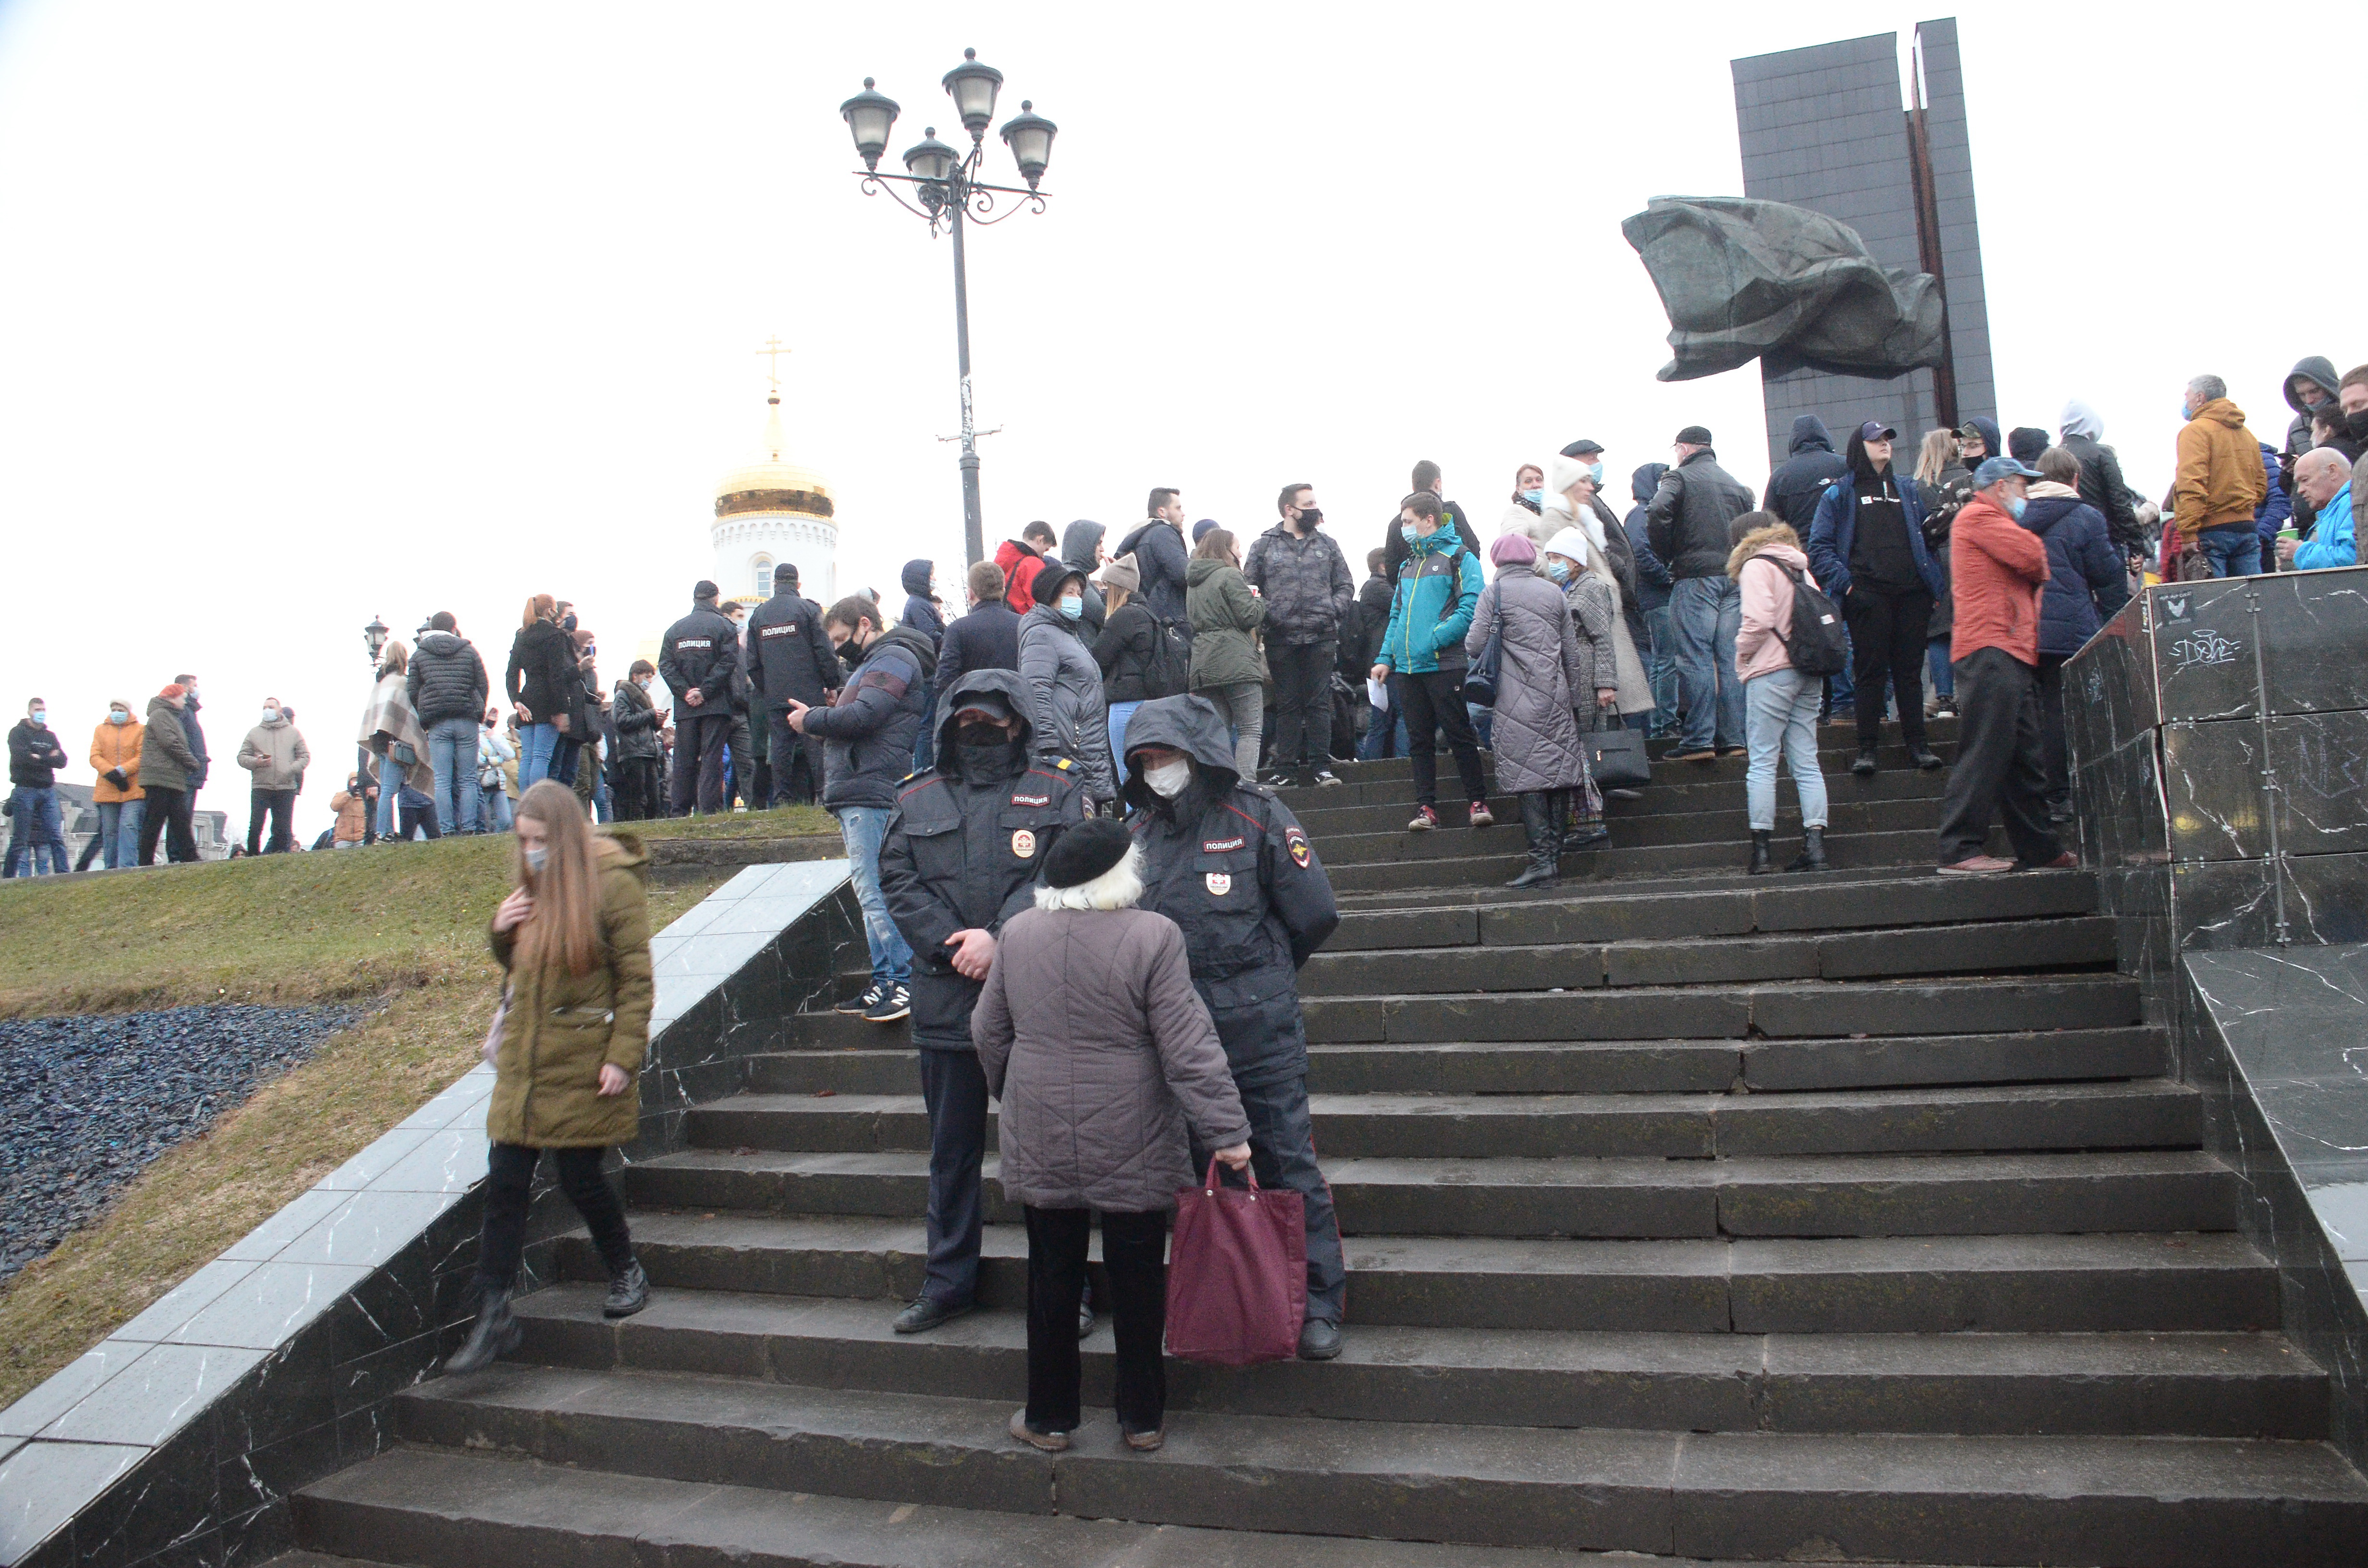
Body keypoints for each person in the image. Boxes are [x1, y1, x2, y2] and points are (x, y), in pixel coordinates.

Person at [973, 818, 1252, 1453]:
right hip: (1136, 1131)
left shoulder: (1016, 935)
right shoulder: (1154, 935)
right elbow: (1187, 1044)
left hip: (1040, 1124)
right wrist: (1228, 1130)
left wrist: (1013, 1093)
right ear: (1122, 872)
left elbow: (987, 1033)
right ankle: (1142, 1417)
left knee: (1051, 1276)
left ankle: (1049, 1418)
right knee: (1137, 1277)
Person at [1119, 693, 1345, 1359]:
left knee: (1286, 1163)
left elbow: (1315, 914)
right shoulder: (1136, 837)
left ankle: (1319, 1302)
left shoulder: (1258, 814)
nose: (1156, 768)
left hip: (1260, 1035)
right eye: (1144, 760)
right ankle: (1229, 1301)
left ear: (1196, 754)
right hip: (1180, 1048)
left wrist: (1266, 976)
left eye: (1163, 756)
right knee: (1198, 1180)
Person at [878, 671, 1087, 1334]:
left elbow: (1069, 870)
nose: (978, 727)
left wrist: (999, 939)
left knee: (1053, 1155)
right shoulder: (917, 796)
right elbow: (898, 880)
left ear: (1019, 721)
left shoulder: (1058, 786)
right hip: (948, 998)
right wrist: (953, 943)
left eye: (992, 718)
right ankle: (948, 1283)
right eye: (966, 716)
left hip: (1038, 995)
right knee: (952, 1153)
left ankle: (1067, 1287)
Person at [441, 781, 654, 1375]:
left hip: (583, 1062)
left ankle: (625, 1269)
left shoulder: (614, 886)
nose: (530, 851)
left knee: (580, 1177)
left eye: (539, 840)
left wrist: (621, 1056)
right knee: (505, 1183)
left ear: (563, 836)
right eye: (523, 841)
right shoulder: (532, 887)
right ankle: (492, 1313)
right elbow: (526, 972)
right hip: (527, 1064)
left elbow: (636, 982)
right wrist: (501, 931)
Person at [782, 594, 939, 1020]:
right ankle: (887, 978)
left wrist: (813, 720)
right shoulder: (874, 664)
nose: (837, 649)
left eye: (840, 638)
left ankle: (904, 981)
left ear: (865, 624)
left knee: (875, 890)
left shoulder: (892, 659)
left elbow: (864, 717)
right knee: (869, 891)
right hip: (860, 785)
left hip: (871, 788)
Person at [1937, 456, 2072, 875]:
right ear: (1999, 487)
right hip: (1991, 647)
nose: (2026, 496)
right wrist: (2034, 546)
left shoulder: (1985, 519)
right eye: (2021, 486)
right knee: (1987, 748)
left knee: (2021, 756)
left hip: (2008, 648)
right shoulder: (1979, 516)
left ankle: (2040, 848)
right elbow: (2033, 556)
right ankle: (1959, 848)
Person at [1806, 421, 1945, 777]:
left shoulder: (1908, 489)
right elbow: (1819, 547)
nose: (1885, 444)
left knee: (1910, 673)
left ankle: (1919, 746)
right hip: (1867, 595)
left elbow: (1928, 538)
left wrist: (1932, 583)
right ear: (1859, 446)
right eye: (1876, 440)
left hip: (1911, 594)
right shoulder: (1839, 494)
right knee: (1870, 672)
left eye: (1888, 439)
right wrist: (1849, 586)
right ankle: (1867, 749)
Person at [1467, 534, 1592, 888]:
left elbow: (1475, 644)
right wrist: (1575, 702)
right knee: (1557, 775)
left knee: (1529, 779)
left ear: (1497, 562)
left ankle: (1540, 862)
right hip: (1555, 698)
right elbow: (1571, 653)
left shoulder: (1495, 594)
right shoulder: (1554, 592)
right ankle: (1552, 859)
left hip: (1514, 700)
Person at [2021, 448, 2131, 821]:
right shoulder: (2086, 517)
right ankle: (2059, 795)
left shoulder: (2013, 517)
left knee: (2026, 711)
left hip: (2021, 627)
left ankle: (2029, 796)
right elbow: (2106, 574)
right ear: (2074, 479)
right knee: (2057, 709)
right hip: (2069, 627)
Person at [1372, 492, 1491, 830]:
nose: (1403, 528)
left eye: (1408, 522)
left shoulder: (1460, 557)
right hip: (1409, 668)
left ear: (1429, 519)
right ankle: (1426, 808)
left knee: (1459, 734)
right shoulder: (1408, 566)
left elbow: (1472, 608)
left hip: (1445, 663)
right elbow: (1395, 616)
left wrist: (1435, 639)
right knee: (1419, 740)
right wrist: (1385, 658)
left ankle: (1478, 802)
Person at [1729, 520, 1833, 874]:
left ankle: (1761, 855)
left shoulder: (1757, 566)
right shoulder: (1799, 566)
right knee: (1806, 761)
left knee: (1762, 761)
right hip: (1808, 669)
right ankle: (1816, 848)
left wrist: (1741, 654)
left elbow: (1757, 620)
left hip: (1771, 672)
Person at [1647, 425, 1756, 760]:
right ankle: (1735, 738)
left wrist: (1669, 555)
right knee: (1729, 660)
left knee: (1694, 658)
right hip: (1733, 578)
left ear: (1683, 448)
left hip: (1694, 577)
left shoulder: (1677, 479)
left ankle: (1699, 740)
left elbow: (1656, 512)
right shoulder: (1736, 485)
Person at [1244, 483, 1356, 787]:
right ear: (1288, 510)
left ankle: (1322, 767)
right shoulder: (1264, 545)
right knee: (1288, 704)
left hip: (1321, 636)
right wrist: (1270, 615)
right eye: (1308, 503)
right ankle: (1286, 769)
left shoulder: (1328, 544)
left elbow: (1346, 585)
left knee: (1320, 703)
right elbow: (1250, 588)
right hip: (1281, 638)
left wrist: (1332, 610)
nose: (1314, 508)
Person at [1539, 453, 1655, 731]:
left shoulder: (1581, 518)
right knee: (1610, 700)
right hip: (1591, 616)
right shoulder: (1557, 519)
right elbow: (1559, 569)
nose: (1591, 487)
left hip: (1604, 612)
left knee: (1621, 698)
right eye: (1584, 481)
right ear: (1569, 484)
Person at [1539, 527, 1618, 849]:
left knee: (1587, 749)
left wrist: (1606, 683)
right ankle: (1582, 820)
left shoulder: (1591, 589)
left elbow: (1602, 638)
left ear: (1573, 559)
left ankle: (1592, 823)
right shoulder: (1569, 588)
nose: (1552, 564)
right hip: (1574, 677)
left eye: (1556, 557)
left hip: (1587, 678)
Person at [1017, 561, 1116, 807]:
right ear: (1051, 597)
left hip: (1086, 746)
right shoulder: (1041, 634)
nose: (1077, 599)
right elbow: (1036, 689)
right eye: (1069, 593)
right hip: (1068, 749)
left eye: (1079, 593)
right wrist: (1047, 744)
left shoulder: (1067, 634)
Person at [746, 561, 839, 808]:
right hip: (808, 693)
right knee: (815, 742)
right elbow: (824, 651)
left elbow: (752, 663)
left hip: (775, 694)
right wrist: (832, 684)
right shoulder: (809, 610)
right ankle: (823, 795)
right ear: (798, 584)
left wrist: (767, 688)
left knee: (780, 747)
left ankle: (783, 799)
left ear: (775, 584)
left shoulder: (759, 615)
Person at [1185, 527, 1268, 782]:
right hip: (1236, 661)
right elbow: (1249, 616)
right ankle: (1245, 785)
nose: (1240, 552)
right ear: (1226, 549)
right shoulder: (1230, 576)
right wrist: (1260, 601)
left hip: (1204, 662)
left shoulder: (1193, 583)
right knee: (1250, 728)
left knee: (1217, 731)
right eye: (1237, 547)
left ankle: (1217, 784)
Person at [2171, 375, 2269, 580]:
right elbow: (2260, 485)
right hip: (2247, 528)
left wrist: (2188, 533)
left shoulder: (2195, 431)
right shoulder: (2247, 434)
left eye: (2187, 396)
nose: (2185, 402)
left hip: (2211, 531)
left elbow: (2191, 483)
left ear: (2200, 398)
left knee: (2216, 605)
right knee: (2253, 602)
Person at [658, 580, 742, 816]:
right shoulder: (724, 627)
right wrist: (704, 691)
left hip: (685, 708)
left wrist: (685, 691)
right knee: (711, 757)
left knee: (684, 759)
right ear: (716, 598)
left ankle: (679, 811)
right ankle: (709, 809)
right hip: (715, 705)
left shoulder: (675, 630)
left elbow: (666, 665)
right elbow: (727, 663)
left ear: (695, 598)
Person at [408, 612, 489, 836]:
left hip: (437, 721)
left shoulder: (420, 654)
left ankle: (447, 829)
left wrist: (424, 712)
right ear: (454, 628)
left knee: (442, 779)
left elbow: (412, 690)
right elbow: (482, 683)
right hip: (466, 718)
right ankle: (470, 827)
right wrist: (478, 710)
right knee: (468, 778)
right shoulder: (468, 650)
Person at [1622, 464, 1680, 738]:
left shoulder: (1650, 514)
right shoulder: (1640, 515)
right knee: (1665, 661)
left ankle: (1662, 722)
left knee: (1664, 660)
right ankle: (1663, 723)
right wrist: (1667, 578)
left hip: (1658, 596)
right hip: (1655, 597)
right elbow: (1640, 554)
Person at [932, 560, 1024, 728]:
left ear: (970, 594)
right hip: (1016, 720)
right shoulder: (1024, 626)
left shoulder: (958, 629)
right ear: (1003, 590)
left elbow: (945, 682)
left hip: (971, 721)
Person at [360, 641, 435, 842]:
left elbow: (378, 716)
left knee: (386, 789)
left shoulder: (381, 682)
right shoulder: (402, 683)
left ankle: (385, 831)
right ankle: (385, 833)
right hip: (395, 742)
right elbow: (408, 716)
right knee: (389, 791)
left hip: (380, 743)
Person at [1911, 428, 1961, 719]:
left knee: (1940, 633)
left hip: (1935, 564)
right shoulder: (1970, 478)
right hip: (1969, 559)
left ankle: (1944, 699)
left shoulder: (1918, 486)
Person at [1092, 555, 1159, 766]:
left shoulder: (1123, 618)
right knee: (1148, 775)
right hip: (1150, 705)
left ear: (1115, 589)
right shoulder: (1147, 614)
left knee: (1127, 775)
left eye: (1106, 586)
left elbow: (1097, 661)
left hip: (1125, 707)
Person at [2057, 400, 2143, 560]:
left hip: (2063, 546)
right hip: (2104, 541)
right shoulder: (2102, 455)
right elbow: (2120, 503)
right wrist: (2136, 546)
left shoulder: (2050, 458)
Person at [506, 595, 576, 791]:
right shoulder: (556, 636)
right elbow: (556, 676)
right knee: (542, 756)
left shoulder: (522, 636)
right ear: (550, 611)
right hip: (549, 700)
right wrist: (562, 709)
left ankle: (526, 807)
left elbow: (511, 673)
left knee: (528, 756)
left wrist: (516, 700)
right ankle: (538, 807)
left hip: (527, 700)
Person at [1381, 460, 1485, 585]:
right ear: (1438, 484)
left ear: (1413, 487)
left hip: (1410, 593)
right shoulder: (1450, 512)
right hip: (1452, 590)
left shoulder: (1395, 524)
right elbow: (1473, 549)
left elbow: (1392, 572)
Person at [138, 684, 203, 865]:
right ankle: (145, 861)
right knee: (155, 821)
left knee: (180, 820)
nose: (184, 701)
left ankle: (190, 856)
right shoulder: (160, 715)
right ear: (172, 698)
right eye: (182, 698)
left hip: (171, 777)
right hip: (160, 777)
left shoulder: (171, 717)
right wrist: (192, 762)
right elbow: (171, 743)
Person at [4, 700, 70, 878]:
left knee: (56, 836)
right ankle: (7, 879)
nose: (40, 713)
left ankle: (64, 875)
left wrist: (37, 757)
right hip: (25, 789)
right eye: (37, 710)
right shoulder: (18, 733)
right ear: (29, 711)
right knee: (20, 839)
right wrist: (48, 758)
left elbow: (62, 761)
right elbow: (21, 758)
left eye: (43, 710)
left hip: (48, 790)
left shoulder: (50, 736)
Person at [236, 698, 310, 855]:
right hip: (261, 785)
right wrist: (257, 762)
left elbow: (305, 756)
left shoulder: (293, 733)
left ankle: (281, 857)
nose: (267, 710)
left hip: (286, 787)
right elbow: (241, 757)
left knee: (283, 828)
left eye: (271, 707)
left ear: (279, 710)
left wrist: (290, 770)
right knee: (256, 826)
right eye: (264, 707)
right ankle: (252, 858)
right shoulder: (254, 733)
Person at [1115, 489, 1193, 630]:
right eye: (1178, 508)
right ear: (1162, 512)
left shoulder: (1145, 535)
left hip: (1153, 615)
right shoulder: (1163, 533)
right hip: (1170, 618)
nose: (1183, 514)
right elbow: (1184, 574)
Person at [1763, 416, 1850, 534]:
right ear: (1826, 438)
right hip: (1841, 543)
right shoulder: (1845, 465)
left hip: (1801, 546)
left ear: (1793, 442)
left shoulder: (1780, 476)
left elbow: (1769, 522)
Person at [87, 698, 144, 870]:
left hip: (133, 788)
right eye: (114, 709)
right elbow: (95, 756)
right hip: (107, 789)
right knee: (110, 831)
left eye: (120, 709)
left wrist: (123, 771)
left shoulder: (141, 730)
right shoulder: (100, 730)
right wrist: (110, 772)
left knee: (128, 826)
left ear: (128, 710)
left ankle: (128, 866)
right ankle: (110, 868)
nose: (117, 712)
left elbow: (142, 756)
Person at [606, 664, 666, 821]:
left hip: (648, 752)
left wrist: (657, 721)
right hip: (633, 752)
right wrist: (650, 715)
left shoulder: (644, 697)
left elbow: (645, 723)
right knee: (638, 797)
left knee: (654, 798)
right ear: (635, 676)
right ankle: (638, 825)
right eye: (647, 676)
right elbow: (622, 721)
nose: (649, 681)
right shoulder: (623, 695)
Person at [2283, 449, 2356, 570]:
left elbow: (2353, 559)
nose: (2300, 490)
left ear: (2332, 471)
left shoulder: (2354, 504)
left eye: (2305, 480)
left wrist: (2300, 552)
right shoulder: (2334, 510)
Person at [2280, 358, 2343, 494]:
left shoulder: (2351, 417)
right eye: (2301, 394)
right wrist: (2288, 472)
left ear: (2328, 386)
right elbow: (2288, 488)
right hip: (2308, 508)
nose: (2309, 400)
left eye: (2314, 391)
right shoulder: (2296, 428)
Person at [996, 520, 1060, 618]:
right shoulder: (1032, 564)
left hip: (1003, 619)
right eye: (1046, 549)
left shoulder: (1004, 559)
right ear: (1040, 540)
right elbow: (1038, 603)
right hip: (1025, 623)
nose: (1043, 556)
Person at [1058, 522, 1108, 643]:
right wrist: (1115, 581)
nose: (1103, 549)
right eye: (1099, 543)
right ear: (1085, 545)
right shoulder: (1074, 577)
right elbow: (1105, 615)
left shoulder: (1078, 575)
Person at [476, 709, 517, 833]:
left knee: (506, 821)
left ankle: (495, 838)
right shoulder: (473, 734)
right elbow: (479, 760)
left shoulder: (495, 735)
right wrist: (497, 760)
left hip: (498, 783)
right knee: (484, 821)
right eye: (491, 715)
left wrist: (493, 738)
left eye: (496, 715)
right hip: (481, 782)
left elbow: (509, 755)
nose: (494, 718)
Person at [330, 772, 371, 847]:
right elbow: (334, 807)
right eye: (354, 781)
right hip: (343, 838)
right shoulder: (341, 795)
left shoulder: (366, 798)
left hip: (361, 838)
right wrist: (349, 795)